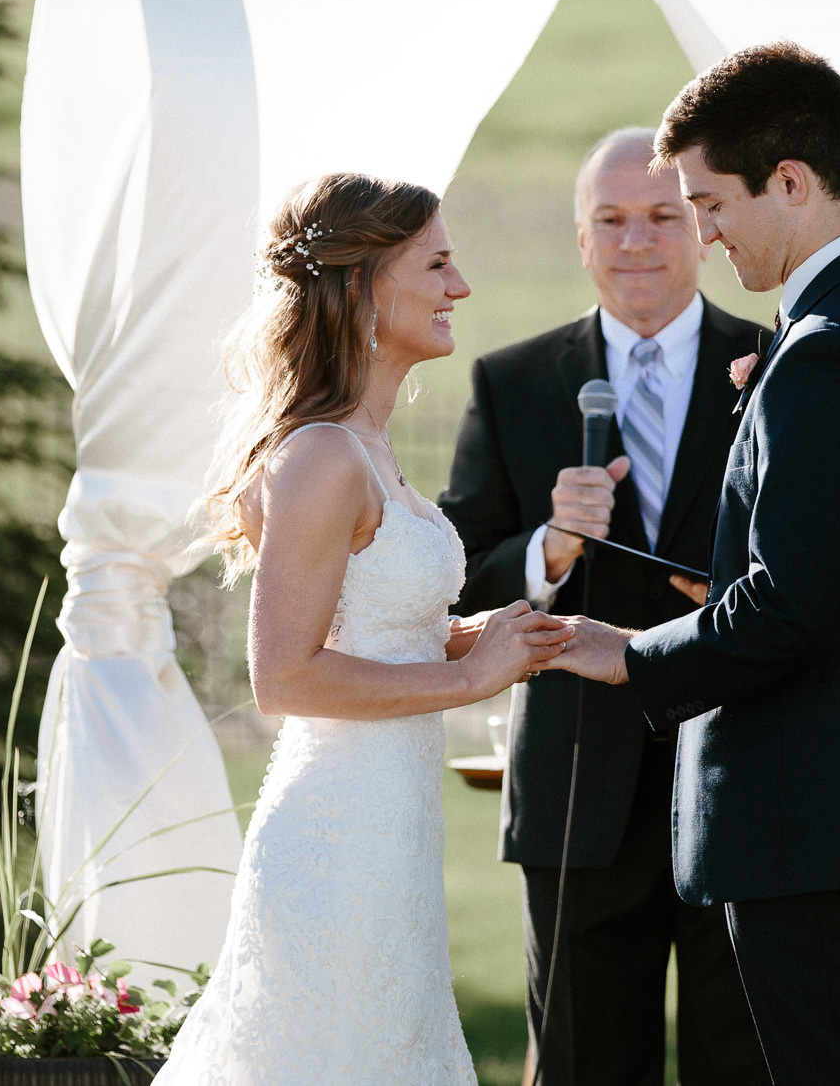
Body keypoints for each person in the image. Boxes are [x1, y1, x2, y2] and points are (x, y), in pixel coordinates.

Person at [544, 44, 840, 1086]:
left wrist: (631, 653)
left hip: (815, 819)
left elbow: (789, 610)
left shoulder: (832, 347)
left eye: (707, 203)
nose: (701, 232)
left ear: (790, 181)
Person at [161, 172, 576, 1086]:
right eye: (437, 262)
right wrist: (471, 679)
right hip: (335, 850)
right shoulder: (321, 456)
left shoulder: (371, 447)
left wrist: (482, 634)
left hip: (392, 847)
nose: (459, 287)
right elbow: (287, 678)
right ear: (363, 286)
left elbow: (375, 628)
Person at [439, 128, 769, 1086]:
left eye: (665, 215)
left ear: (702, 230)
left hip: (741, 776)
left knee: (741, 1063)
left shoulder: (778, 360)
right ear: (580, 238)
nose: (638, 240)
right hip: (578, 787)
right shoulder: (513, 381)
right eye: (612, 220)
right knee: (585, 1065)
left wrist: (740, 589)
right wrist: (550, 545)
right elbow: (456, 572)